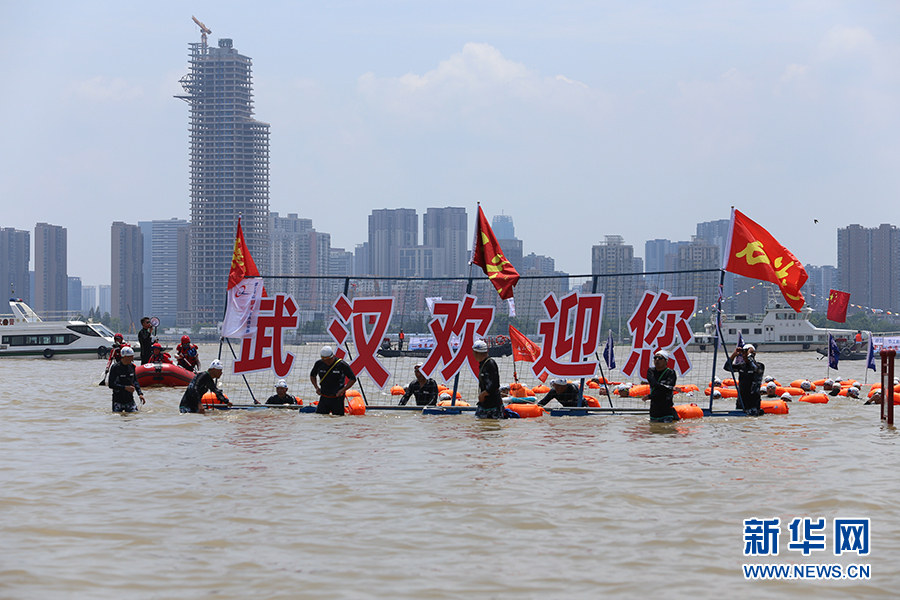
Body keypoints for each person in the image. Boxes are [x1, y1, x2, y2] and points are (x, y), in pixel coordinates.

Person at [310, 346, 357, 415]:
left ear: (333, 356)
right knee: (320, 418)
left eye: (329, 360)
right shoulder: (319, 363)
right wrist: (316, 387)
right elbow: (312, 375)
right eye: (324, 360)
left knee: (338, 419)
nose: (327, 362)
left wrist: (343, 390)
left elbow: (353, 378)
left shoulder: (341, 364)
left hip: (337, 398)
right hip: (324, 397)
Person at [724, 343, 765, 415]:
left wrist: (749, 355)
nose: (744, 356)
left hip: (753, 401)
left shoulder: (760, 366)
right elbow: (727, 367)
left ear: (753, 355)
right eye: (743, 354)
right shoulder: (741, 366)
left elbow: (754, 368)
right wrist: (733, 355)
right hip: (741, 400)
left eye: (746, 354)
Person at [643, 350, 679, 422]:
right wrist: (670, 388)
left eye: (660, 358)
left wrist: (651, 396)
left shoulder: (671, 373)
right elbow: (654, 384)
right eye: (655, 357)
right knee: (654, 431)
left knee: (667, 431)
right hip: (654, 410)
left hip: (666, 410)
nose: (657, 360)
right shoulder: (651, 371)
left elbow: (664, 391)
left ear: (666, 361)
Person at [107, 346, 144, 412]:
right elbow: (111, 384)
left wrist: (140, 394)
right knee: (118, 419)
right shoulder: (115, 367)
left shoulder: (132, 366)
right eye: (131, 357)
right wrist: (125, 387)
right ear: (125, 357)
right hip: (118, 401)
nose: (132, 359)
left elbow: (135, 381)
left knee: (134, 418)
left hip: (129, 401)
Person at [473, 339, 504, 418]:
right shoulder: (482, 364)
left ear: (476, 353)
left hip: (493, 405)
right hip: (484, 404)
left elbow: (495, 384)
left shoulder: (490, 363)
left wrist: (483, 394)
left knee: (492, 426)